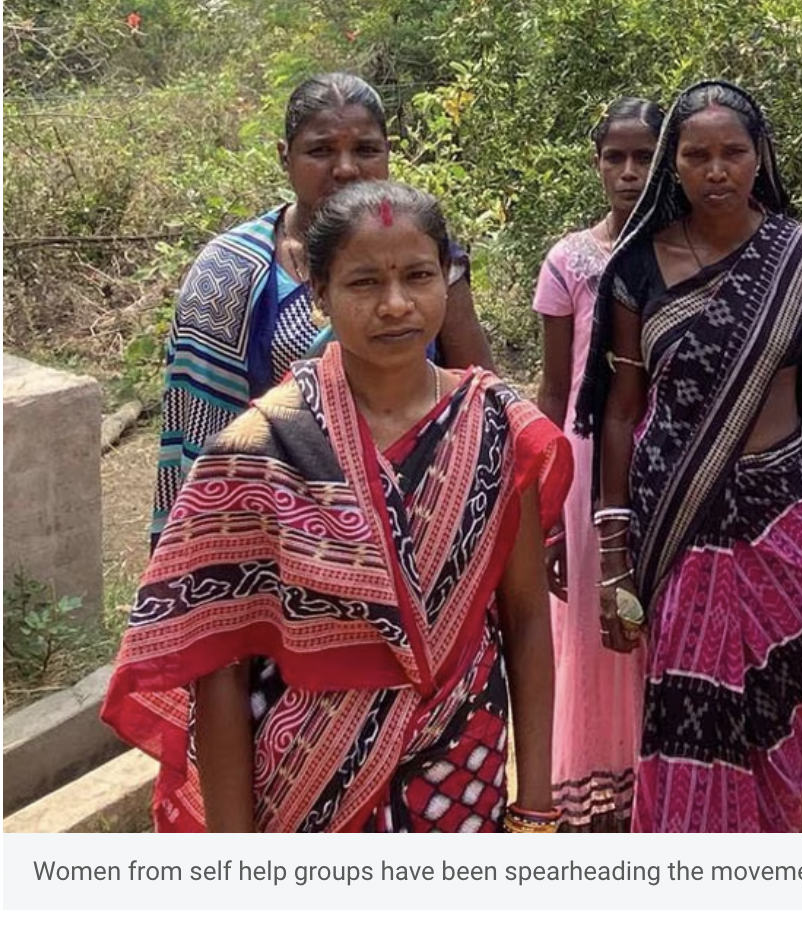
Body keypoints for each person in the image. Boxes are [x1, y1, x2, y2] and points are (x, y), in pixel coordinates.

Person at [102, 181, 568, 833]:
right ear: (319, 293)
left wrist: (536, 807)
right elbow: (219, 672)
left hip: (463, 770)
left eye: (418, 276)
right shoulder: (255, 454)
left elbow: (524, 621)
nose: (396, 304)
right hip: (305, 787)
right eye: (364, 283)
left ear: (447, 281)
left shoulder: (496, 429)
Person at [574, 80, 802, 833]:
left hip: (784, 522)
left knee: (777, 720)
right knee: (681, 716)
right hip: (676, 520)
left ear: (759, 155)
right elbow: (620, 413)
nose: (716, 170)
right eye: (696, 155)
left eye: (733, 152)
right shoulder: (638, 268)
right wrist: (613, 560)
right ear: (674, 165)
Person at [150, 72, 493, 548]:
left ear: (389, 153)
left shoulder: (429, 258)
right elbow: (207, 434)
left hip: (425, 514)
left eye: (366, 150)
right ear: (284, 157)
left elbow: (477, 393)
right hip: (276, 522)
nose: (347, 168)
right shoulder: (229, 272)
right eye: (321, 150)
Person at [532, 96, 664, 831]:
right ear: (596, 163)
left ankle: (662, 782)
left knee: (662, 624)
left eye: (644, 156)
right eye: (614, 156)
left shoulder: (685, 252)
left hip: (667, 459)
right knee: (592, 630)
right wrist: (546, 507)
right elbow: (556, 389)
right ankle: (598, 802)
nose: (629, 171)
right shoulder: (570, 260)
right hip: (586, 467)